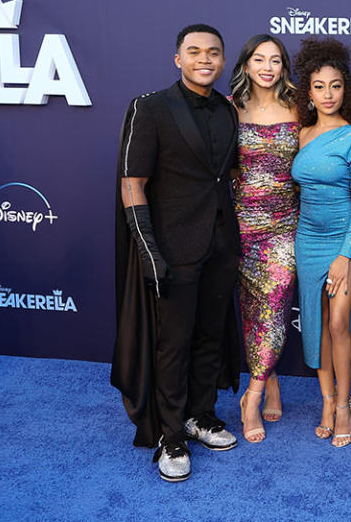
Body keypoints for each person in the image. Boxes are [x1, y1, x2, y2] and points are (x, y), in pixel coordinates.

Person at [112, 24, 240, 482]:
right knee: (174, 345)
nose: (204, 59)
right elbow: (133, 183)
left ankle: (200, 415)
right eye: (194, 52)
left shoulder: (228, 110)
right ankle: (170, 436)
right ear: (177, 59)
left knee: (210, 337)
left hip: (222, 246)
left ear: (223, 61)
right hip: (173, 247)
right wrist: (148, 249)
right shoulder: (149, 107)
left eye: (213, 52)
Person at [292, 37, 351, 448]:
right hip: (307, 241)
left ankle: (344, 404)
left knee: (339, 321)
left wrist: (343, 255)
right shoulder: (302, 134)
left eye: (336, 85)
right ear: (308, 91)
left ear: (347, 90)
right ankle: (326, 400)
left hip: (348, 241)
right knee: (317, 324)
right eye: (320, 86)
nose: (328, 94)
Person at [229, 34, 299, 443]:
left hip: (286, 224)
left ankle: (251, 396)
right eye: (260, 59)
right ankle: (270, 379)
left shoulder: (297, 106)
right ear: (246, 66)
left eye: (275, 60)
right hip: (240, 225)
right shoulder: (230, 109)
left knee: (275, 299)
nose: (268, 67)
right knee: (253, 308)